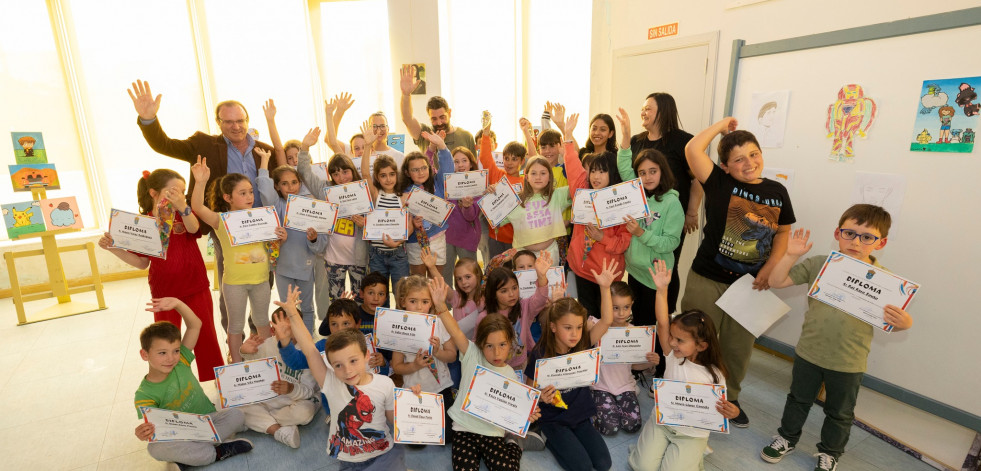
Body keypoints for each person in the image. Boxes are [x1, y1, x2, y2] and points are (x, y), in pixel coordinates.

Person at [760, 205, 913, 471]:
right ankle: (786, 438)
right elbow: (776, 280)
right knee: (798, 399)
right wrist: (790, 255)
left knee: (840, 413)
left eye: (867, 237)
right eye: (849, 233)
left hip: (849, 361)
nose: (856, 241)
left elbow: (894, 322)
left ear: (881, 242)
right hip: (810, 352)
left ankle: (830, 453)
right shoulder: (820, 263)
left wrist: (905, 322)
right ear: (837, 233)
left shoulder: (886, 281)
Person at [130, 80, 279, 334]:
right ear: (219, 123)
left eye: (240, 120)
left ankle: (258, 333)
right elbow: (164, 145)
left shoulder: (265, 151)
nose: (236, 126)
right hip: (224, 229)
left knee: (262, 281)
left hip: (262, 229)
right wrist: (148, 120)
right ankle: (236, 337)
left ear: (247, 120)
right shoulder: (204, 145)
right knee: (230, 282)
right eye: (229, 121)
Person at [682, 117, 795, 427]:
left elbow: (783, 233)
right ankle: (686, 393)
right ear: (725, 166)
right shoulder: (720, 183)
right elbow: (693, 148)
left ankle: (728, 399)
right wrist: (720, 126)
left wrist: (770, 269)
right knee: (694, 340)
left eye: (754, 154)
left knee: (737, 348)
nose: (749, 163)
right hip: (707, 278)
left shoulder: (777, 191)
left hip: (751, 286)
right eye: (739, 159)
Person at [98, 168, 223, 381]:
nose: (178, 196)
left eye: (182, 192)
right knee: (166, 341)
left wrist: (183, 207)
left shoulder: (183, 214)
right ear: (154, 193)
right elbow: (140, 263)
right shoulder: (141, 224)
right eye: (172, 191)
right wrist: (114, 248)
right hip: (164, 291)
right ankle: (172, 384)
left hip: (195, 285)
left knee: (206, 334)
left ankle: (217, 380)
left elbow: (194, 230)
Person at [274, 286, 406, 470]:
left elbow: (395, 420)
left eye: (353, 361)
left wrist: (412, 401)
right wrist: (293, 315)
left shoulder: (385, 383)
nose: (347, 370)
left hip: (384, 456)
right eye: (338, 365)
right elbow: (310, 351)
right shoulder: (331, 383)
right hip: (348, 461)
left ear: (367, 356)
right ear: (329, 365)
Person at [627, 260, 741, 471]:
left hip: (692, 434)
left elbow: (718, 409)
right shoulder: (672, 355)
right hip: (662, 423)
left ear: (701, 345)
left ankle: (697, 454)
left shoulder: (715, 375)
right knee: (642, 467)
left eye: (680, 340)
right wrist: (661, 290)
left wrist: (731, 412)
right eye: (672, 337)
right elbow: (662, 322)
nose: (671, 343)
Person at [430, 276, 541, 471]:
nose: (497, 353)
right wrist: (440, 305)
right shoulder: (472, 353)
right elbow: (455, 331)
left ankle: (514, 445)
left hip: (493, 432)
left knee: (509, 468)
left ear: (510, 345)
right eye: (489, 346)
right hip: (464, 429)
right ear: (480, 344)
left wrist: (527, 414)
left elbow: (515, 407)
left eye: (502, 345)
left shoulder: (510, 374)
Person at [133, 298, 253, 468]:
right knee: (155, 449)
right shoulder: (144, 395)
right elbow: (155, 428)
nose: (170, 358)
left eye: (175, 351)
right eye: (162, 353)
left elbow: (195, 325)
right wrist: (143, 432)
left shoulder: (181, 360)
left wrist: (178, 304)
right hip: (180, 434)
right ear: (145, 355)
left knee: (238, 415)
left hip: (208, 419)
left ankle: (188, 456)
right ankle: (216, 451)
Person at [523, 260, 618, 471]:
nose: (575, 334)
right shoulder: (540, 353)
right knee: (583, 466)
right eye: (568, 328)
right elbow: (528, 391)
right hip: (553, 419)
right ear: (554, 327)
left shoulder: (583, 343)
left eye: (578, 327)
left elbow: (606, 321)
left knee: (604, 463)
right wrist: (539, 396)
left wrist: (604, 288)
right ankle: (547, 436)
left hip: (580, 416)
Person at [190, 157, 287, 362]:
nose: (249, 196)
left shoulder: (263, 216)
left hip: (261, 278)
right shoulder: (221, 220)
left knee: (262, 321)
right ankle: (235, 363)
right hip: (234, 282)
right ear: (228, 197)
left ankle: (268, 360)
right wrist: (200, 182)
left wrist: (280, 238)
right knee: (235, 325)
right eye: (242, 193)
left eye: (251, 191)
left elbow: (272, 247)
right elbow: (198, 207)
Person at [629, 93, 703, 315]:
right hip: (642, 214)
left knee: (667, 265)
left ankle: (665, 312)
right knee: (640, 263)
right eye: (642, 108)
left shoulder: (683, 141)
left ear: (664, 110)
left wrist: (691, 211)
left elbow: (698, 178)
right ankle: (641, 313)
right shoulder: (637, 140)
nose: (643, 112)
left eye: (648, 108)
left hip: (670, 217)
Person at [256, 135, 328, 333]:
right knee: (289, 308)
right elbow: (263, 187)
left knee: (307, 308)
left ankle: (308, 341)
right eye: (285, 184)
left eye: (294, 182)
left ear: (300, 183)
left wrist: (313, 238)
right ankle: (292, 340)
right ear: (277, 186)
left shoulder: (310, 207)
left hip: (305, 267)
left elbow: (321, 245)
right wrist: (263, 162)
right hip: (282, 269)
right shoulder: (277, 205)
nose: (290, 187)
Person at [295, 128, 369, 319]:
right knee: (336, 303)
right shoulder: (325, 190)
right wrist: (304, 148)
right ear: (331, 176)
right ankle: (338, 337)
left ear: (352, 171)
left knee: (360, 303)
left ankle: (358, 339)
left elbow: (375, 222)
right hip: (333, 258)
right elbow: (304, 171)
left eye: (345, 172)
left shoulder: (363, 189)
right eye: (336, 174)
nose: (342, 178)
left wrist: (364, 224)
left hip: (358, 258)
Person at [564, 114, 630, 318]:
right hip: (582, 270)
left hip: (607, 275)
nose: (596, 176)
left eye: (602, 172)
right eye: (593, 171)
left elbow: (623, 242)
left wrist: (603, 238)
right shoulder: (582, 192)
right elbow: (573, 167)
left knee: (606, 319)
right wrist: (567, 135)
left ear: (612, 174)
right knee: (586, 319)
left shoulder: (621, 202)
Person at [388, 275, 458, 445]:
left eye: (425, 302)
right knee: (414, 444)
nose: (419, 307)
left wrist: (437, 352)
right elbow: (396, 367)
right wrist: (414, 365)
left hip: (441, 389)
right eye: (413, 301)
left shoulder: (439, 323)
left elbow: (452, 356)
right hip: (414, 391)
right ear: (403, 301)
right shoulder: (399, 328)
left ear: (432, 303)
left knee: (448, 438)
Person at [239, 316, 319, 449]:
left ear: (301, 328)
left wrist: (291, 389)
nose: (285, 333)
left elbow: (308, 390)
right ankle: (279, 431)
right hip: (266, 401)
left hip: (293, 402)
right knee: (237, 406)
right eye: (280, 329)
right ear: (272, 330)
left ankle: (267, 423)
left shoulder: (308, 350)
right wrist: (244, 352)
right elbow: (246, 379)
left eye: (290, 328)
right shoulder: (265, 345)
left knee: (305, 413)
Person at [589, 281, 658, 436]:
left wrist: (649, 362)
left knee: (632, 426)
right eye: (615, 308)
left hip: (625, 386)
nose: (621, 313)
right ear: (606, 304)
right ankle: (594, 408)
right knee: (610, 428)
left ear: (632, 304)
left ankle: (615, 403)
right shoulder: (594, 325)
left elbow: (634, 365)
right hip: (601, 387)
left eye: (626, 307)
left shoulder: (635, 333)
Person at [475, 252, 553, 370]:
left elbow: (540, 299)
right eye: (504, 291)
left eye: (514, 288)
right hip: (494, 367)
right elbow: (477, 346)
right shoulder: (484, 317)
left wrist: (542, 277)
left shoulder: (523, 306)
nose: (512, 294)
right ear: (493, 294)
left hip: (520, 364)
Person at [360, 121, 410, 302]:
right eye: (383, 175)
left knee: (402, 297)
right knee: (378, 299)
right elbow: (365, 173)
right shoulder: (375, 195)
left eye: (391, 174)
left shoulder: (403, 197)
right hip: (377, 256)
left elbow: (409, 226)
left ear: (397, 175)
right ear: (378, 178)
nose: (388, 179)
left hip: (398, 255)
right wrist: (367, 145)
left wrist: (398, 242)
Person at [399, 132, 454, 277]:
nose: (421, 172)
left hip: (437, 238)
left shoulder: (438, 183)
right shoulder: (403, 192)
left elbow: (448, 169)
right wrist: (411, 222)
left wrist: (441, 146)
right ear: (407, 172)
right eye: (415, 170)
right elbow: (399, 220)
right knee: (418, 283)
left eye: (424, 168)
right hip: (414, 242)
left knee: (435, 280)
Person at [398, 66, 476, 157]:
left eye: (442, 117)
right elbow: (407, 119)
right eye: (434, 119)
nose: (439, 123)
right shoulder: (425, 134)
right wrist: (406, 95)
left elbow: (474, 169)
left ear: (449, 113)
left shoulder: (466, 136)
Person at [478, 121, 527, 258]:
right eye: (506, 158)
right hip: (496, 237)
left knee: (515, 274)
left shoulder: (526, 182)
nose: (509, 163)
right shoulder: (498, 174)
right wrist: (486, 133)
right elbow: (485, 157)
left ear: (522, 161)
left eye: (514, 159)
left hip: (518, 239)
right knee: (498, 272)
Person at [439, 146, 483, 285]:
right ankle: (445, 306)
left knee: (470, 277)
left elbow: (471, 217)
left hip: (467, 238)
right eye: (456, 161)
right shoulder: (445, 183)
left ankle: (472, 305)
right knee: (445, 276)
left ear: (471, 163)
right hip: (446, 237)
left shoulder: (478, 184)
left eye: (464, 160)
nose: (460, 165)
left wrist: (467, 206)